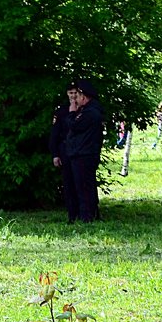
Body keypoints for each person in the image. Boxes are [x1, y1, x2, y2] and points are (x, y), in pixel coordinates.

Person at [64, 79, 104, 223]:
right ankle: (88, 214)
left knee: (84, 187)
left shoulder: (90, 112)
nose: (76, 99)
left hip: (84, 154)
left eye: (78, 96)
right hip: (82, 153)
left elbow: (74, 126)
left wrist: (71, 113)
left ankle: (87, 216)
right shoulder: (89, 111)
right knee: (84, 186)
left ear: (84, 97)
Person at [49, 83, 81, 222]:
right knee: (68, 182)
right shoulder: (61, 111)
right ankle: (71, 214)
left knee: (81, 182)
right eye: (70, 93)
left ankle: (84, 213)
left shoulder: (85, 110)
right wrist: (55, 154)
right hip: (65, 149)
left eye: (75, 93)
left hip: (80, 150)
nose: (73, 96)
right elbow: (55, 134)